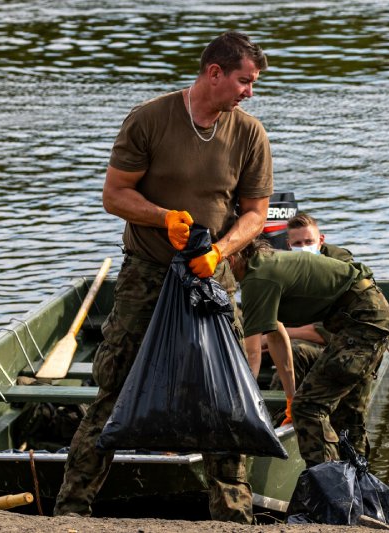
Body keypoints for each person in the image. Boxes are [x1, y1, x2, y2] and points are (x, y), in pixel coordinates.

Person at [53, 31, 273, 523]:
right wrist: (162, 217)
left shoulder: (249, 133)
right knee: (113, 388)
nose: (249, 92)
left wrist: (219, 251)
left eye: (252, 84)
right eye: (244, 80)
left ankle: (233, 515)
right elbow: (115, 195)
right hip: (147, 275)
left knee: (226, 395)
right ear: (214, 73)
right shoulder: (150, 118)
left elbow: (256, 214)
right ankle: (71, 510)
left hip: (212, 279)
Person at [228, 239, 389, 468]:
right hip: (365, 318)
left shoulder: (257, 278)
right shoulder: (263, 265)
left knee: (308, 408)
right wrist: (290, 395)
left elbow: (253, 353)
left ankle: (331, 490)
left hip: (362, 322)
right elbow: (277, 337)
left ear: (232, 257)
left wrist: (242, 407)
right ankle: (357, 483)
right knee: (346, 412)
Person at [266, 213, 354, 403]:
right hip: (292, 339)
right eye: (298, 244)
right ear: (289, 245)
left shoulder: (336, 271)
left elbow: (322, 333)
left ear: (321, 241)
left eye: (309, 241)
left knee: (295, 351)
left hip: (334, 349)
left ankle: (278, 413)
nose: (304, 248)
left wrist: (279, 337)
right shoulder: (283, 272)